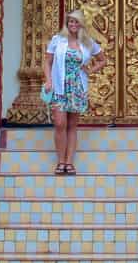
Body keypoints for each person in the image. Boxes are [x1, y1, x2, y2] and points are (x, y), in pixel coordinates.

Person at [43, 10, 104, 175]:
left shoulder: (87, 42)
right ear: (67, 23)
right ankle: (60, 161)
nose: (73, 25)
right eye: (70, 22)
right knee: (59, 124)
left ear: (81, 24)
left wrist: (90, 70)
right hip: (59, 86)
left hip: (77, 87)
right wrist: (48, 80)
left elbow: (102, 59)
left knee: (71, 125)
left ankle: (69, 163)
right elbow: (47, 61)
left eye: (76, 22)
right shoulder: (58, 40)